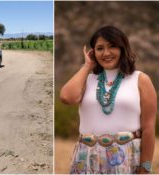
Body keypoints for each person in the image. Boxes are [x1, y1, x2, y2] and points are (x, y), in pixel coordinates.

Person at [59, 25, 157, 174]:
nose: (106, 53)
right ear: (93, 53)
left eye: (112, 47)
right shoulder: (88, 79)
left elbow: (149, 129)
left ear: (122, 48)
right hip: (86, 157)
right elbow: (66, 97)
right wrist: (87, 66)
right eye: (99, 48)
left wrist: (145, 169)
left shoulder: (140, 79)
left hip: (126, 157)